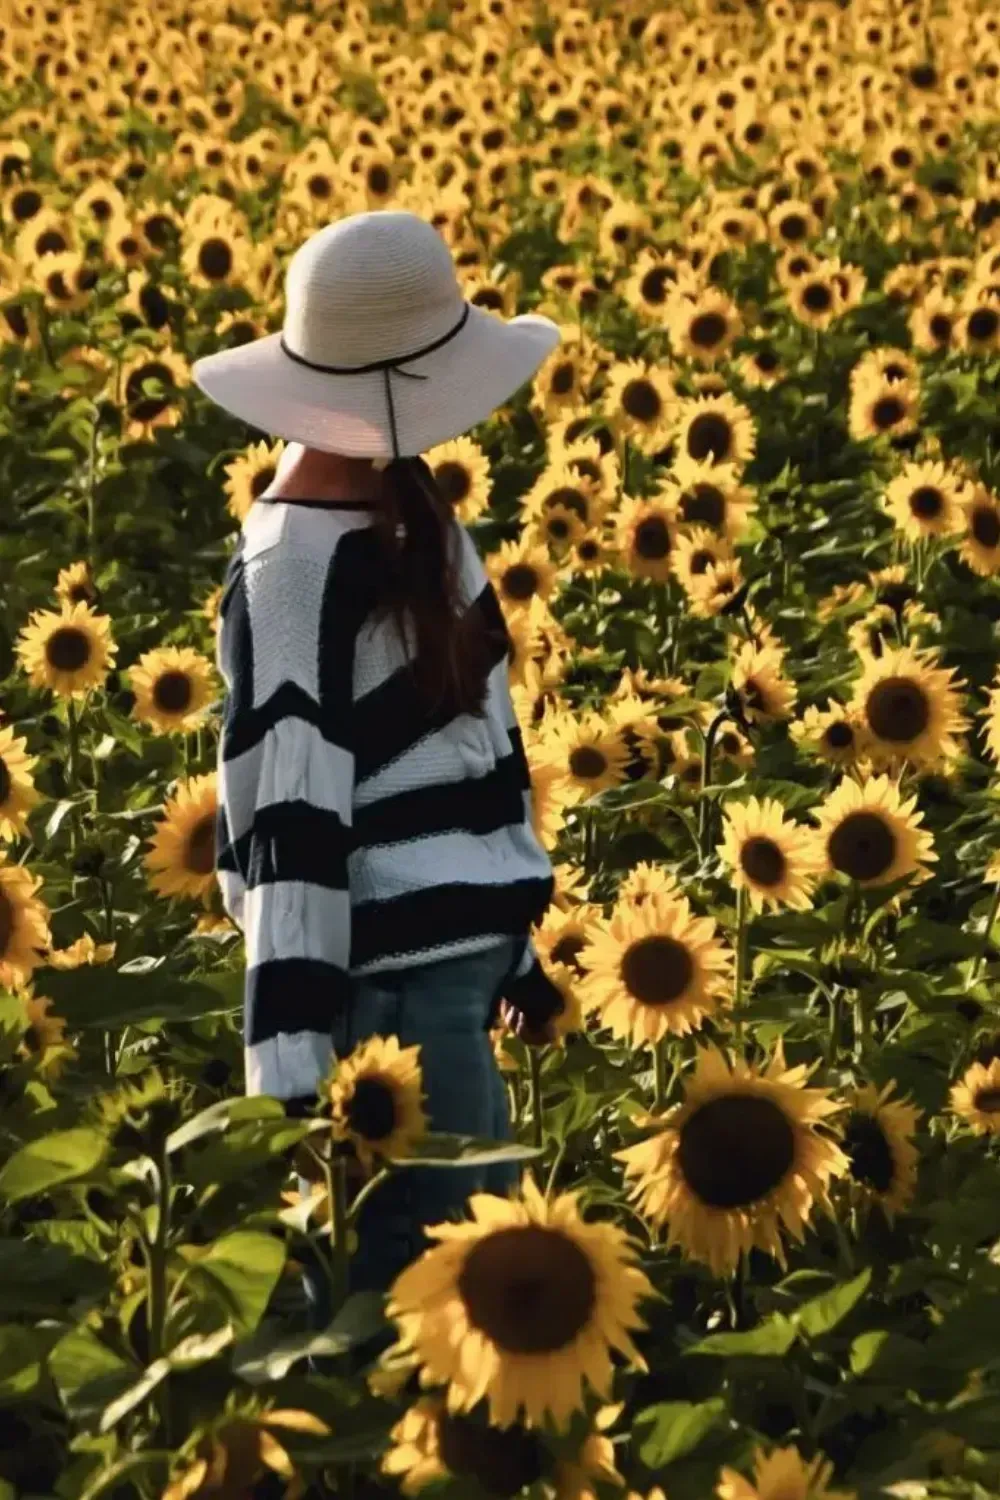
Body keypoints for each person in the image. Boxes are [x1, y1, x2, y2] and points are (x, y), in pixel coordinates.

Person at [191, 210, 567, 1312]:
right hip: (395, 998)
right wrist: (298, 1079)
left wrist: (515, 951)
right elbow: (301, 826)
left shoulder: (410, 530)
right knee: (436, 1305)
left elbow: (458, 762)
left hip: (427, 985)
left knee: (437, 1303)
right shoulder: (323, 557)